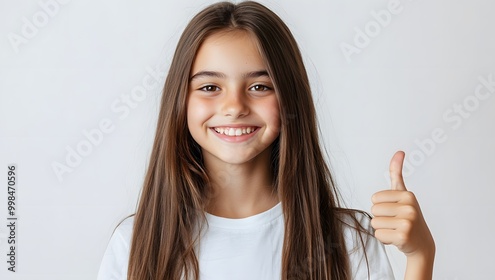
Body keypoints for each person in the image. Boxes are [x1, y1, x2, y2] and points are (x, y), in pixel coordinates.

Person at [97, 1, 435, 279]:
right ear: (180, 101)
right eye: (209, 87)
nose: (234, 107)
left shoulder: (349, 240)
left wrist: (420, 256)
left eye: (259, 86)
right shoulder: (134, 245)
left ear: (289, 98)